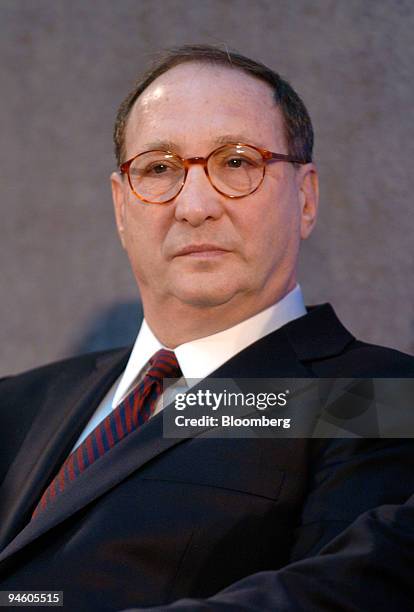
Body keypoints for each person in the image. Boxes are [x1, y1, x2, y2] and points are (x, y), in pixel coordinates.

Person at [0, 44, 413, 611]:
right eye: (160, 168)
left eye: (237, 162)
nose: (194, 205)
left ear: (306, 197)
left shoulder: (375, 397)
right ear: (122, 208)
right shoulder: (19, 402)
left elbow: (342, 594)